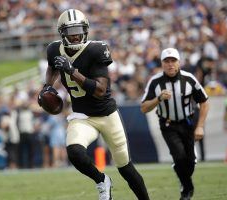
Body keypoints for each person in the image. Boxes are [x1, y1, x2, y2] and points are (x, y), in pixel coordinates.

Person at [38, 9, 150, 200]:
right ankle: (101, 180)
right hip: (82, 116)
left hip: (106, 115)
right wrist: (47, 86)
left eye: (79, 30)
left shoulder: (96, 50)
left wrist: (72, 71)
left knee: (125, 168)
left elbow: (99, 90)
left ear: (86, 30)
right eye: (70, 31)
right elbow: (53, 66)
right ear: (62, 33)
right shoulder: (54, 49)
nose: (75, 35)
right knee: (74, 152)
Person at [141, 48, 209, 200]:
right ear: (162, 64)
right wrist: (158, 99)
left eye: (173, 61)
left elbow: (204, 102)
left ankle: (182, 176)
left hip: (188, 123)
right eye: (167, 61)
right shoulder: (155, 81)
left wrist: (200, 126)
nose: (170, 64)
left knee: (189, 162)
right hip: (168, 124)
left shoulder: (189, 78)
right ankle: (187, 190)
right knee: (178, 157)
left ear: (179, 63)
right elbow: (144, 108)